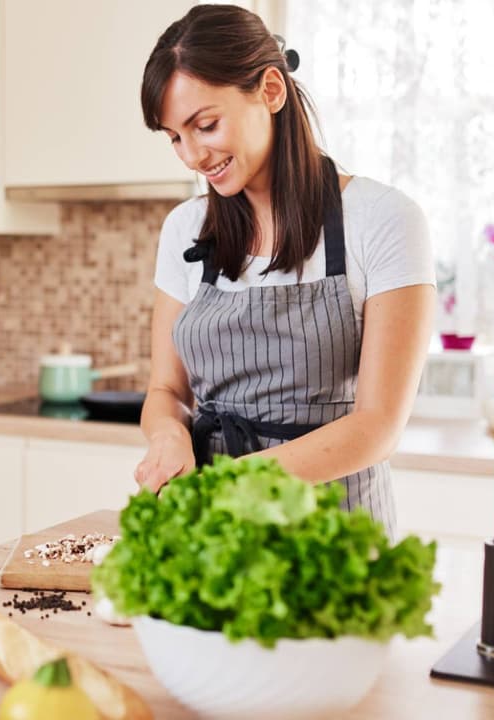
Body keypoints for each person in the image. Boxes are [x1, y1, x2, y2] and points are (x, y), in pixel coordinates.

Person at [132, 4, 435, 537]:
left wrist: (231, 485)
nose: (192, 156)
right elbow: (167, 392)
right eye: (174, 137)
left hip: (334, 539)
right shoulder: (185, 228)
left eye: (205, 125)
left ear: (271, 91)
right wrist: (168, 438)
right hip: (214, 534)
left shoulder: (384, 219)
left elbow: (377, 427)